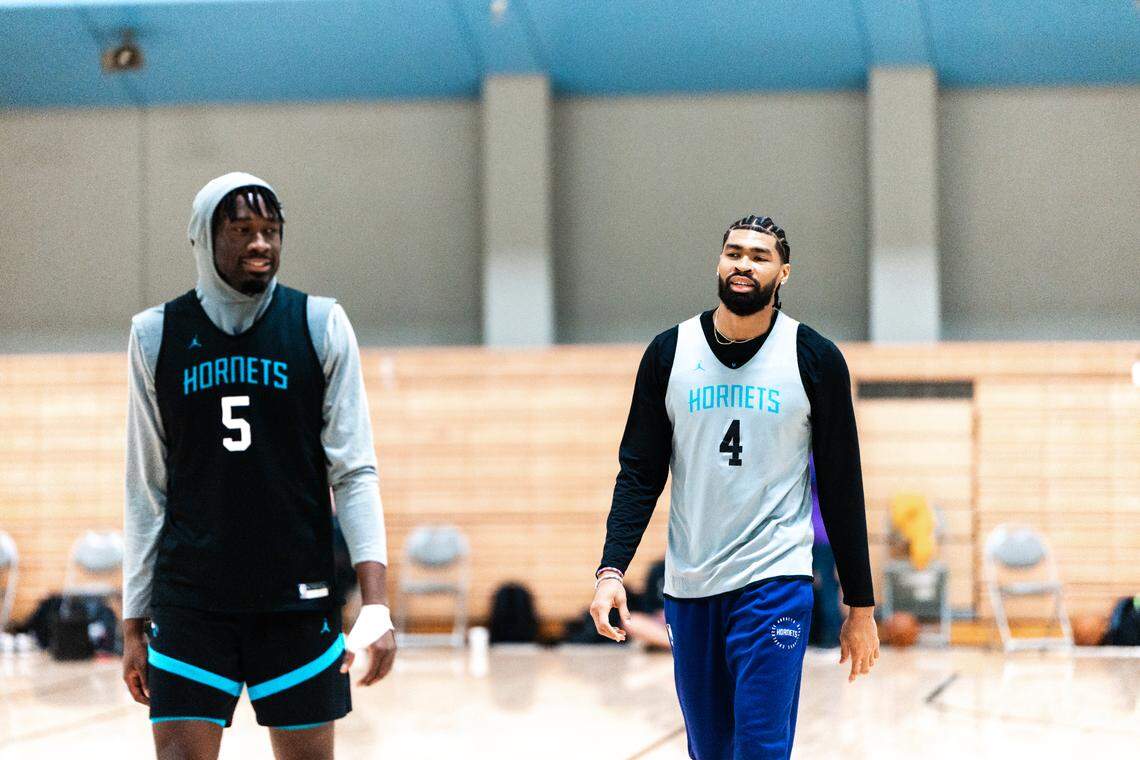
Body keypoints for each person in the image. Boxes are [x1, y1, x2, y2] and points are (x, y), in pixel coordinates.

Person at [121, 173, 396, 760]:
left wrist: (376, 602)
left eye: (271, 230)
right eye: (243, 229)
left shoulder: (320, 324)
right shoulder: (155, 335)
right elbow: (146, 491)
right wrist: (132, 621)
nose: (261, 243)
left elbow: (356, 472)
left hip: (297, 599)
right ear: (202, 237)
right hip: (191, 601)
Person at [589, 215, 879, 760]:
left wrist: (859, 605)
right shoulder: (668, 353)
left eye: (760, 255)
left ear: (783, 273)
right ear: (720, 263)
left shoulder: (814, 358)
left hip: (775, 579)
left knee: (761, 746)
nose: (744, 263)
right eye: (734, 252)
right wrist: (611, 571)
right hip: (691, 584)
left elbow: (842, 486)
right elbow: (639, 473)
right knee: (711, 749)